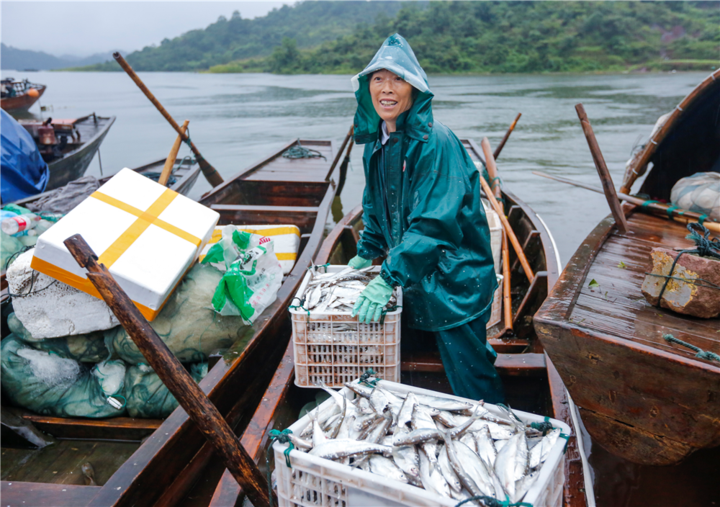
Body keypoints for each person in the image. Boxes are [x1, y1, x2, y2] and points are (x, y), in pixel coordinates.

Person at [348, 34, 504, 403]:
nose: (387, 89)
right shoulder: (377, 141)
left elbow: (435, 225)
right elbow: (375, 204)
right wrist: (366, 249)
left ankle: (498, 423)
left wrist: (387, 277)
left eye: (397, 79)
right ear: (366, 87)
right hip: (412, 279)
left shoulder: (436, 142)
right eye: (377, 79)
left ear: (415, 89)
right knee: (410, 370)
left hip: (454, 282)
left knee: (473, 383)